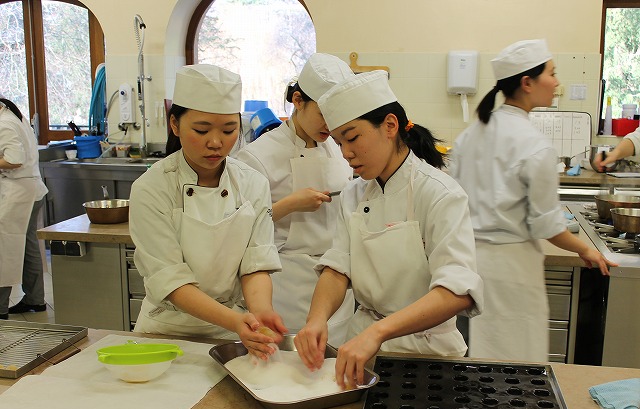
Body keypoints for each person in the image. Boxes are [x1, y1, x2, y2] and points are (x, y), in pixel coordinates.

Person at [293, 70, 484, 389]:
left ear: (390, 126)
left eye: (353, 138)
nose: (346, 153)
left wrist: (379, 332)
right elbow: (338, 267)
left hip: (427, 355)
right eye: (339, 142)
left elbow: (457, 292)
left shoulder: (439, 193)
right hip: (362, 352)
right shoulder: (354, 194)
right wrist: (316, 320)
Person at [449, 39, 617, 363]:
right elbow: (547, 227)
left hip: (464, 263)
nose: (557, 82)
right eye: (551, 74)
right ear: (527, 83)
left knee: (470, 361)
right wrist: (586, 249)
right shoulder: (534, 144)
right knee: (510, 365)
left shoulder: (471, 134)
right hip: (509, 270)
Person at [129, 64, 286, 360]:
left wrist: (261, 312)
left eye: (229, 130)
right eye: (201, 130)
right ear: (175, 125)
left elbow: (255, 264)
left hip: (230, 333)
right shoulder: (151, 188)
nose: (216, 143)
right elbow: (170, 280)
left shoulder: (252, 183)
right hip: (166, 330)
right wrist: (236, 321)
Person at [235, 53, 355, 346]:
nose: (330, 126)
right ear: (298, 101)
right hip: (285, 285)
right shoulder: (257, 156)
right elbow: (239, 227)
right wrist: (289, 205)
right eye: (324, 114)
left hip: (335, 281)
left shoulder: (339, 149)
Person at [0, 98, 49, 320]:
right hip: (30, 190)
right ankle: (35, 299)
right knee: (28, 246)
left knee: (6, 247)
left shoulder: (5, 123)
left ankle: (1, 307)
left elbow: (14, 160)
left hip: (18, 193)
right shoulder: (13, 116)